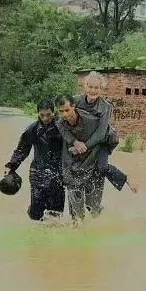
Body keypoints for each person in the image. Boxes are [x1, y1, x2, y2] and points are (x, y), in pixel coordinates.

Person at [60, 71, 139, 193]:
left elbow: (100, 133)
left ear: (101, 89)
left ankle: (126, 179)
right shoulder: (76, 101)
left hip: (103, 141)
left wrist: (82, 147)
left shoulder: (105, 107)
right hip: (81, 139)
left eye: (96, 87)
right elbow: (61, 123)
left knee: (101, 167)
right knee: (72, 167)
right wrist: (75, 142)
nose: (93, 90)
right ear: (85, 87)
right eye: (90, 87)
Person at [4, 99, 64, 221]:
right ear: (38, 113)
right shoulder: (32, 129)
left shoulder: (63, 127)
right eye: (42, 115)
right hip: (38, 173)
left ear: (54, 112)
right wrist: (11, 166)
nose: (45, 118)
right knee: (36, 214)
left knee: (55, 215)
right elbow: (22, 150)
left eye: (48, 114)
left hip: (58, 174)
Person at [55, 94, 105, 225]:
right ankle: (75, 232)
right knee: (75, 208)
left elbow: (107, 136)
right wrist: (74, 142)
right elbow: (63, 131)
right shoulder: (60, 123)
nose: (64, 114)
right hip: (71, 165)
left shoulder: (92, 120)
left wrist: (87, 147)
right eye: (61, 111)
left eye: (67, 110)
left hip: (92, 163)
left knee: (93, 208)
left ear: (74, 106)